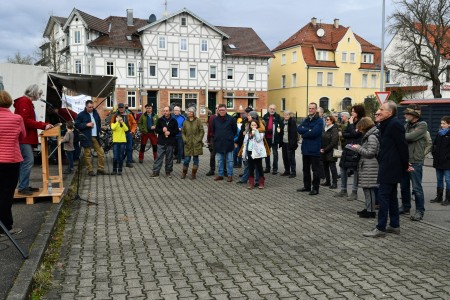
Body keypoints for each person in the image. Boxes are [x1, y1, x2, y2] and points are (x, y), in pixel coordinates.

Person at [363, 101, 409, 238]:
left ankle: (380, 228)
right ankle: (394, 226)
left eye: (381, 109)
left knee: (383, 196)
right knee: (392, 197)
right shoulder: (386, 124)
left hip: (391, 166)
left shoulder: (395, 124)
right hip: (387, 164)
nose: (378, 111)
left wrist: (405, 165)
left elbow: (403, 146)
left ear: (390, 112)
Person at [14, 84, 53, 195]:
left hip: (26, 137)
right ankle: (22, 187)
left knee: (26, 161)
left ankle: (24, 185)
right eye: (39, 94)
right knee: (28, 161)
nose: (39, 96)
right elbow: (25, 120)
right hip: (24, 138)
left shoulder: (26, 102)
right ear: (34, 93)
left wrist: (43, 125)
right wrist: (43, 125)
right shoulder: (24, 102)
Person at [0, 90, 26, 235]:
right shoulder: (17, 118)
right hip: (10, 160)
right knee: (7, 193)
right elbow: (23, 136)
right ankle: (6, 227)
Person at [399, 105, 428, 221]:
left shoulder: (422, 125)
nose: (405, 116)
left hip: (416, 160)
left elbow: (410, 137)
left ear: (414, 116)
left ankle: (420, 211)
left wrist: (400, 136)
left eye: (407, 114)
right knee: (404, 186)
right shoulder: (407, 125)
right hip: (406, 159)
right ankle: (405, 207)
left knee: (416, 188)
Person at [347, 117, 380, 218]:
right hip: (368, 164)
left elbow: (370, 153)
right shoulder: (370, 135)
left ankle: (370, 211)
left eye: (360, 128)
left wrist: (358, 148)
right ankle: (368, 208)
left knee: (369, 188)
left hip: (370, 165)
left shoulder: (371, 137)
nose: (359, 130)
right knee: (367, 188)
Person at [336, 105, 365, 200]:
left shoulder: (361, 122)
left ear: (359, 112)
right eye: (352, 111)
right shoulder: (351, 122)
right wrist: (352, 132)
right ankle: (343, 190)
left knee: (355, 170)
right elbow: (345, 134)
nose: (352, 113)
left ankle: (354, 192)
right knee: (343, 167)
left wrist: (352, 126)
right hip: (348, 148)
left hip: (355, 149)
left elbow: (355, 134)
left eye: (354, 111)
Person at [297, 103, 324, 195]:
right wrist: (308, 130)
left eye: (313, 108)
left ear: (316, 109)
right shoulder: (307, 119)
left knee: (315, 170)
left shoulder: (319, 121)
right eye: (310, 108)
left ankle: (315, 188)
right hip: (305, 149)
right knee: (305, 169)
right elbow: (299, 128)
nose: (311, 110)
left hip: (314, 149)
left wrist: (304, 134)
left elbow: (315, 133)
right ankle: (307, 186)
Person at [75, 100, 105, 176]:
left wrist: (99, 129)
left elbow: (98, 122)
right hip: (86, 137)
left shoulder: (95, 113)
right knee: (87, 154)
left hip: (95, 136)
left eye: (92, 107)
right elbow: (77, 125)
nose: (91, 108)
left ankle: (100, 169)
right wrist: (86, 125)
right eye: (90, 107)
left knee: (101, 152)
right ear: (86, 107)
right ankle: (90, 170)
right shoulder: (81, 115)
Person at [150, 106, 178, 178]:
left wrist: (170, 132)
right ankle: (156, 172)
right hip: (161, 141)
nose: (165, 112)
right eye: (164, 111)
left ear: (170, 111)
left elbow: (176, 131)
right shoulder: (160, 120)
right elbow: (156, 130)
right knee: (159, 157)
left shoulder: (174, 120)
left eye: (166, 111)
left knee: (169, 158)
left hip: (170, 142)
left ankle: (168, 172)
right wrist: (162, 130)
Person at [212, 104, 237, 182]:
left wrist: (230, 137)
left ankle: (230, 175)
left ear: (226, 110)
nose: (222, 111)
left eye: (223, 110)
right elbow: (213, 130)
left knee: (230, 160)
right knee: (220, 160)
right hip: (218, 142)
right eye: (220, 110)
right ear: (218, 111)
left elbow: (235, 130)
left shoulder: (231, 119)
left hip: (228, 142)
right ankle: (220, 174)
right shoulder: (215, 120)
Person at [236, 111, 263, 185]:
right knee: (247, 164)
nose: (247, 116)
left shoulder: (259, 127)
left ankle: (258, 181)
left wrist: (255, 131)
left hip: (256, 149)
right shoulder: (248, 125)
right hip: (248, 148)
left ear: (253, 117)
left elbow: (259, 139)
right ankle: (245, 179)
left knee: (257, 166)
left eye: (249, 116)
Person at [431, 116, 450, 205]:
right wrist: (434, 153)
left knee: (448, 180)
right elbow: (434, 144)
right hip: (438, 161)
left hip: (447, 162)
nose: (442, 125)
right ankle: (439, 197)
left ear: (449, 124)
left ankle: (448, 199)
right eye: (441, 123)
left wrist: (447, 156)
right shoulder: (439, 133)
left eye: (444, 123)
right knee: (439, 179)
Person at [181, 107, 205, 179]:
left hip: (196, 144)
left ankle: (193, 174)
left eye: (191, 112)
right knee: (186, 160)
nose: (189, 113)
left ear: (194, 113)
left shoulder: (198, 121)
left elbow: (202, 131)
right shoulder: (185, 122)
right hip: (188, 144)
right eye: (188, 112)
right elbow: (183, 132)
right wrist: (185, 139)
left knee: (195, 159)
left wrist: (198, 139)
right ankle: (184, 173)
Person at [242, 120, 267, 189]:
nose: (253, 126)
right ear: (250, 126)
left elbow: (259, 140)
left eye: (255, 125)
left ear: (257, 126)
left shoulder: (260, 133)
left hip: (257, 152)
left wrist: (256, 132)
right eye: (252, 125)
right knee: (251, 167)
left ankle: (261, 182)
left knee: (259, 167)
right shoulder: (248, 133)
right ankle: (251, 183)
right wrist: (244, 152)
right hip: (250, 151)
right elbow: (245, 142)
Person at [111, 103, 137, 168]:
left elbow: (134, 123)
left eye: (122, 107)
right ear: (118, 108)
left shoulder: (129, 114)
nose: (121, 109)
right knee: (119, 149)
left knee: (129, 148)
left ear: (124, 108)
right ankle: (119, 162)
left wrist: (132, 131)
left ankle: (129, 162)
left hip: (128, 133)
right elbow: (111, 123)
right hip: (119, 135)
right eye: (120, 108)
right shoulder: (115, 115)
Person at [320, 115, 339, 189]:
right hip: (324, 151)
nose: (326, 121)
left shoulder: (334, 129)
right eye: (326, 119)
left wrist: (325, 149)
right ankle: (327, 181)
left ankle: (334, 183)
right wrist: (321, 148)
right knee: (325, 167)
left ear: (332, 121)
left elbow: (333, 142)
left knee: (332, 167)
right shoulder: (324, 128)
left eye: (328, 120)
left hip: (330, 151)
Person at [263, 104, 281, 175]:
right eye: (271, 108)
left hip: (274, 138)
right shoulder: (265, 116)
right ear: (268, 109)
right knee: (267, 153)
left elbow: (280, 127)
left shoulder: (278, 116)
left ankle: (275, 169)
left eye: (273, 109)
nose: (272, 110)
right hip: (267, 138)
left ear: (275, 110)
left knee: (275, 154)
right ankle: (267, 168)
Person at [279, 111, 298, 178]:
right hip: (284, 142)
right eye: (285, 115)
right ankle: (287, 170)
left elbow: (294, 134)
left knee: (291, 158)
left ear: (290, 116)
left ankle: (293, 172)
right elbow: (281, 132)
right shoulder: (282, 122)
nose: (286, 116)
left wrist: (292, 143)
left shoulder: (292, 122)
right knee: (285, 157)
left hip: (290, 143)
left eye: (287, 115)